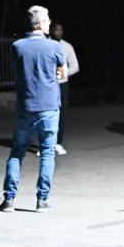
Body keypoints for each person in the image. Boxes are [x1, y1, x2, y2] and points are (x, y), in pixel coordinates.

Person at [0, 6, 67, 213]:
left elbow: (19, 72)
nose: (49, 24)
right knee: (47, 152)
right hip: (48, 106)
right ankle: (41, 200)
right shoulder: (54, 47)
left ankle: (9, 199)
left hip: (26, 106)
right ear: (40, 24)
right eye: (47, 21)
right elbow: (63, 75)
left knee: (17, 152)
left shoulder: (17, 46)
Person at [50, 21, 79, 155]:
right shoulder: (46, 45)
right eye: (56, 30)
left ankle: (58, 143)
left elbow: (75, 66)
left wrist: (63, 73)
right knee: (46, 114)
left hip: (62, 84)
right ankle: (46, 145)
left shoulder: (67, 46)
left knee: (61, 113)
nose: (59, 32)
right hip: (47, 84)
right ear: (51, 31)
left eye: (61, 30)